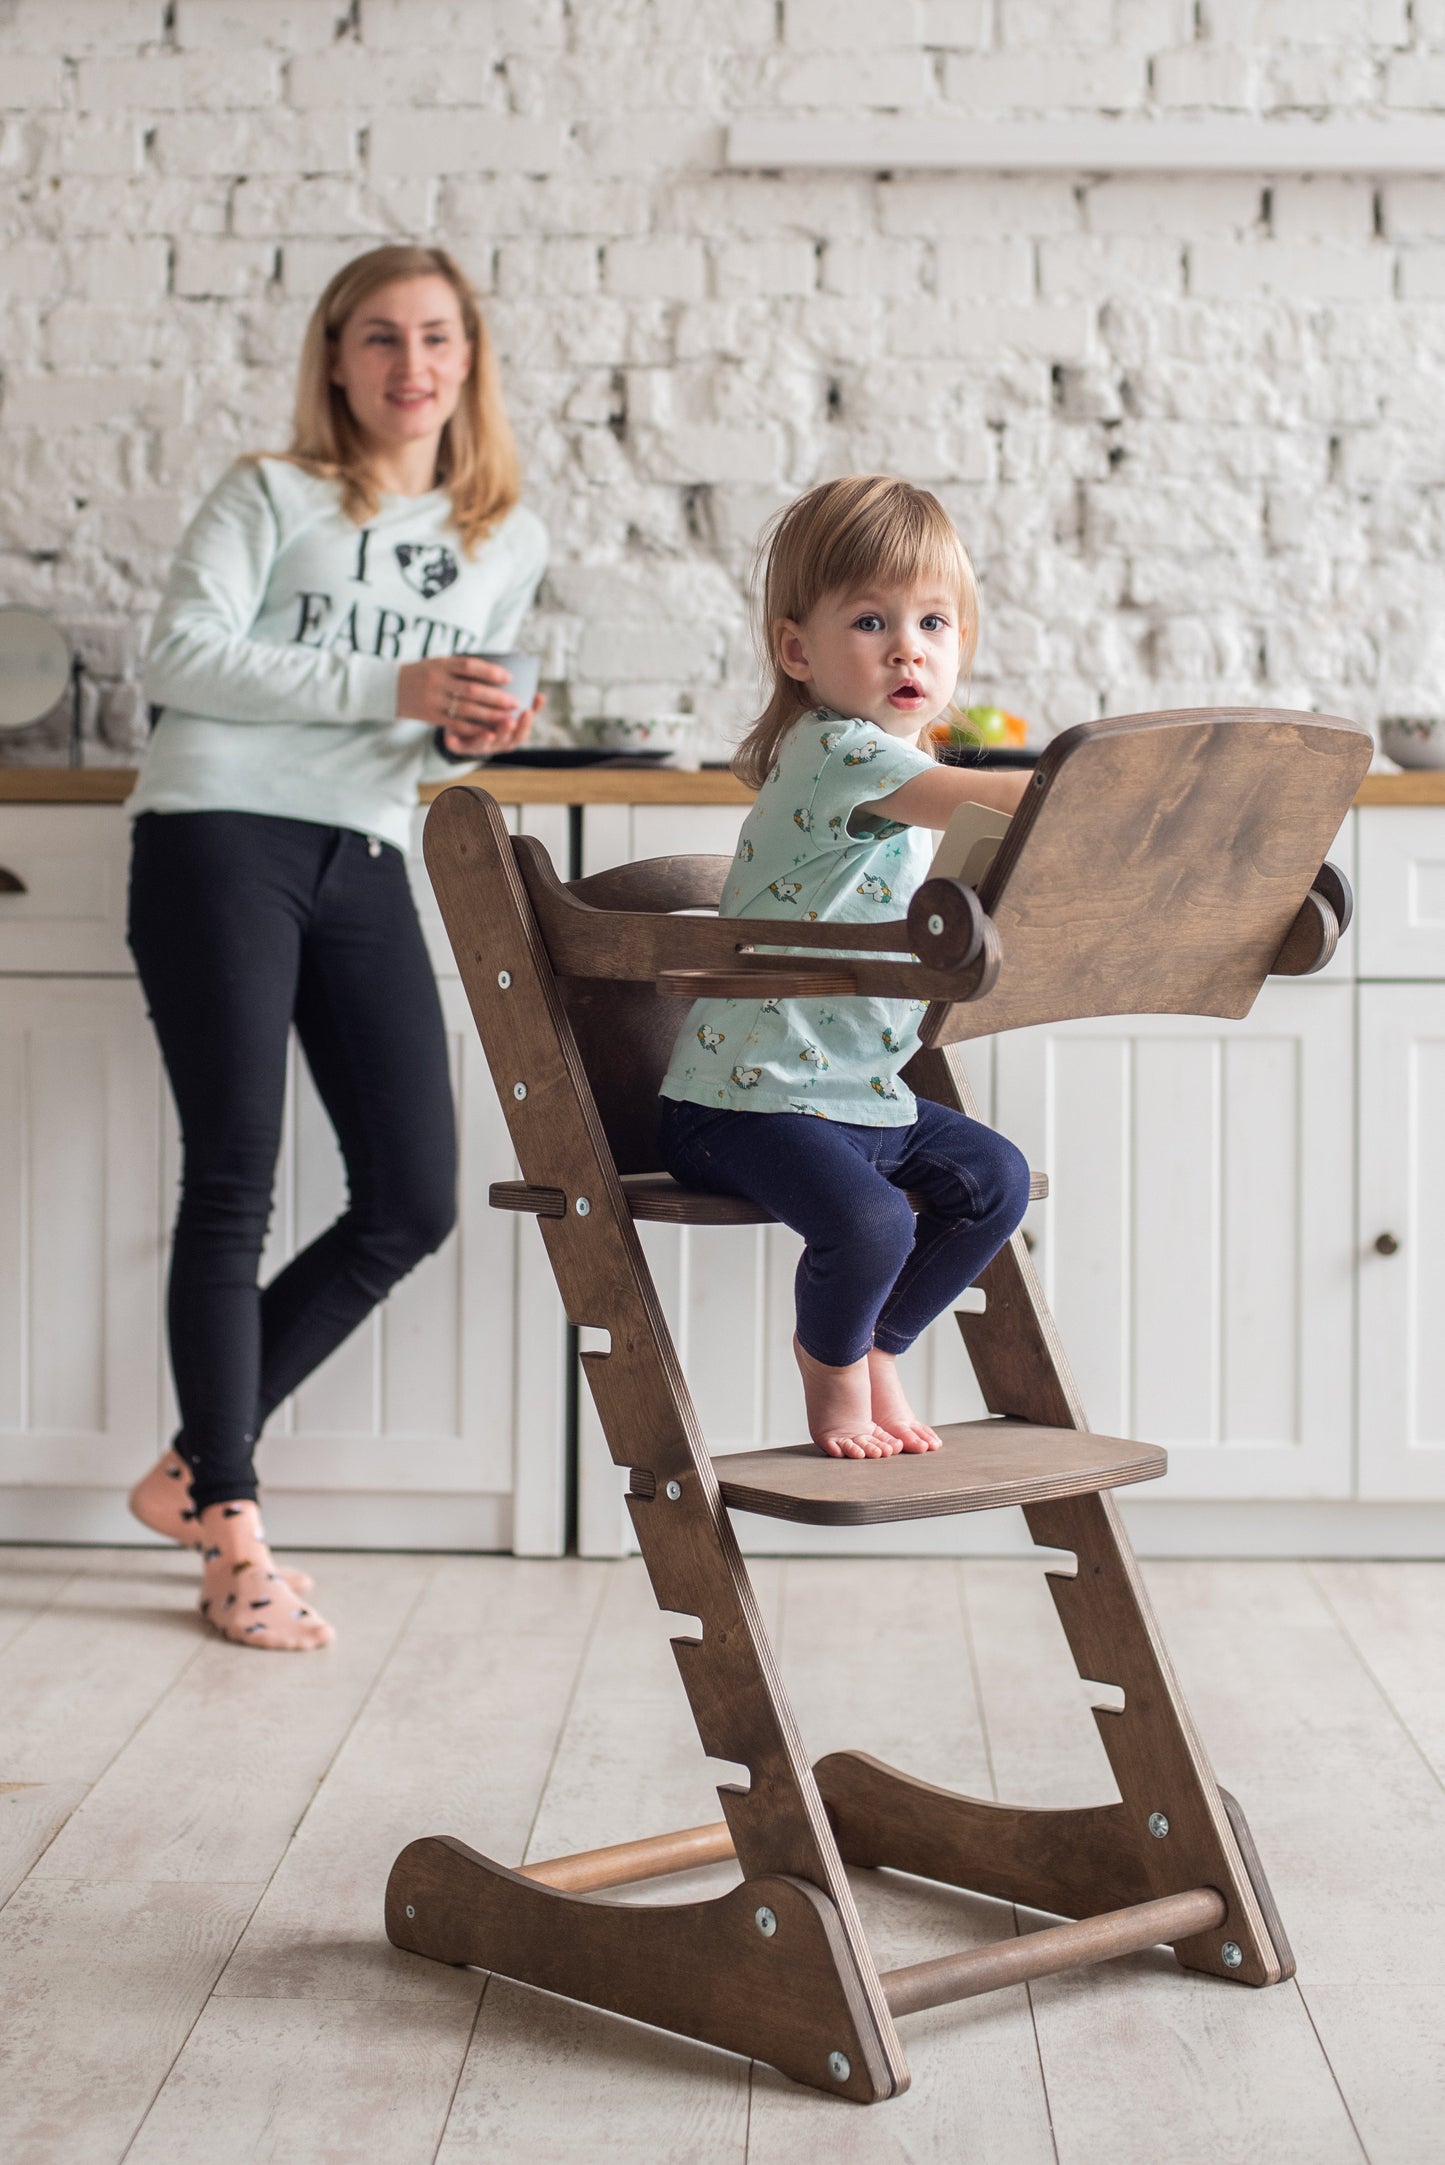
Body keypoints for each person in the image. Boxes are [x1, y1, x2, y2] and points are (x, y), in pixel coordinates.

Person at [124, 244, 547, 1649]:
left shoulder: (507, 536)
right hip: (217, 833)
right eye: (377, 338)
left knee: (411, 1197)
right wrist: (394, 679)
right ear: (334, 358)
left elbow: (425, 717)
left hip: (366, 844)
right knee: (235, 1169)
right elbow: (176, 656)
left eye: (435, 337)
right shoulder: (271, 492)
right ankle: (231, 1528)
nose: (408, 366)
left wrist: (464, 724)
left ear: (468, 358)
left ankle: (193, 1466)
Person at [657, 475, 1033, 1462]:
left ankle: (874, 1339)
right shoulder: (835, 751)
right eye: (870, 620)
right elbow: (986, 798)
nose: (907, 646)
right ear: (797, 651)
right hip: (747, 1103)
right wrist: (1101, 790)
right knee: (869, 1224)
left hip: (860, 1093)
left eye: (933, 622)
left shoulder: (908, 782)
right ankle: (833, 1373)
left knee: (992, 1178)